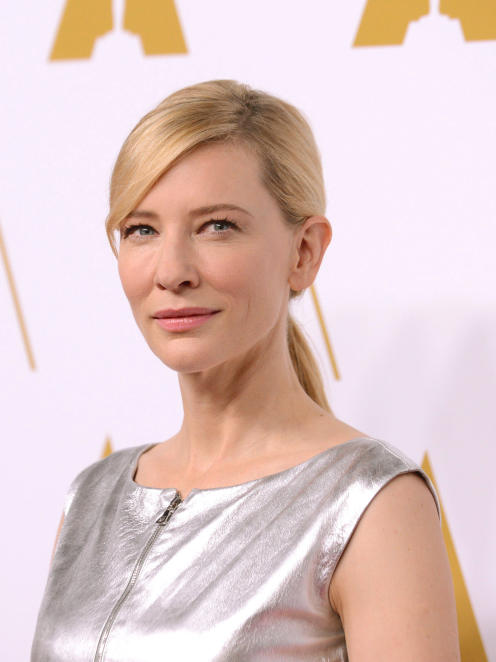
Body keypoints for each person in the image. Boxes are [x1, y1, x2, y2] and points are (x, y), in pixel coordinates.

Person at [31, 80, 459, 661]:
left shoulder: (370, 504)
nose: (172, 271)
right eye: (142, 230)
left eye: (217, 226)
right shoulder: (92, 498)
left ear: (303, 252)